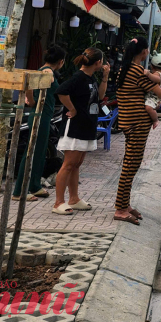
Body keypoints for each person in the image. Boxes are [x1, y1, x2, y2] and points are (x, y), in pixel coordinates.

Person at [114, 38, 161, 225]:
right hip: (137, 123)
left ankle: (125, 204)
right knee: (131, 164)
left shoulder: (125, 68)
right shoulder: (137, 70)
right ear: (144, 52)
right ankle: (120, 209)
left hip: (129, 121)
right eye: (147, 50)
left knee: (132, 162)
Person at [53, 48, 109, 215]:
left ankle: (74, 198)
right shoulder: (78, 77)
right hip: (75, 126)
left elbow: (99, 96)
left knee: (77, 164)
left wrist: (105, 78)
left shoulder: (91, 78)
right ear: (98, 62)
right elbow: (61, 91)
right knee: (69, 164)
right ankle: (58, 202)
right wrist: (72, 108)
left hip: (87, 124)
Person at [12, 45, 65, 202]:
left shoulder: (43, 69)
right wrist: (32, 100)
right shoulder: (47, 72)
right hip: (39, 116)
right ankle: (19, 191)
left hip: (43, 115)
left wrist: (31, 99)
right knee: (32, 152)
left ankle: (34, 185)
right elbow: (29, 84)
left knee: (40, 152)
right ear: (61, 61)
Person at [144, 53, 161, 128]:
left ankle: (155, 120)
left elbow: (157, 79)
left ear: (151, 66)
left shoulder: (158, 74)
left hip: (154, 97)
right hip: (155, 97)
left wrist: (149, 75)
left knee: (148, 107)